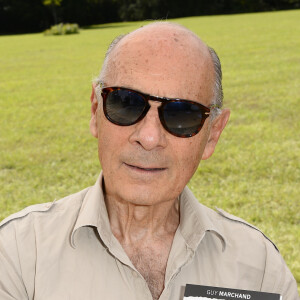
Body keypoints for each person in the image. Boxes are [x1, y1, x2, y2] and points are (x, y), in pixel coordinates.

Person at [0, 22, 298, 300]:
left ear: (212, 135)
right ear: (95, 111)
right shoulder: (18, 255)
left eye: (182, 113)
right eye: (126, 103)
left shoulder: (258, 266)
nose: (149, 137)